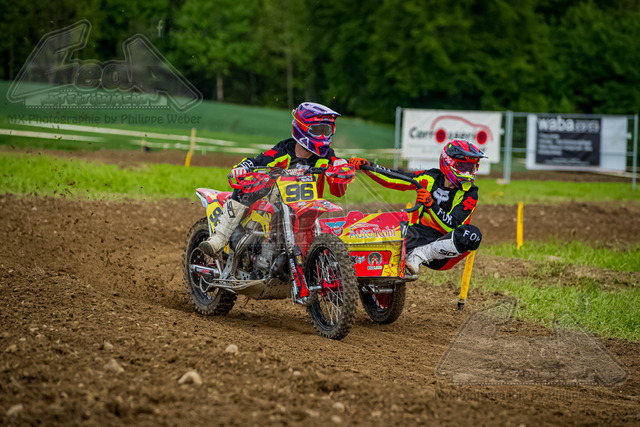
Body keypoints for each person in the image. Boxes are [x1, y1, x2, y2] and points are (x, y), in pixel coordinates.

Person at [199, 102, 349, 257]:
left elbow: (337, 187)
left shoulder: (327, 156)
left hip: (307, 212)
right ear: (302, 128)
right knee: (248, 185)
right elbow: (259, 161)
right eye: (317, 130)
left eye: (326, 130)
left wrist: (341, 168)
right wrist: (244, 166)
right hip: (277, 204)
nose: (323, 136)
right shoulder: (283, 150)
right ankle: (219, 238)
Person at [349, 139, 486, 274]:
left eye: (471, 168)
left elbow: (451, 226)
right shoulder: (430, 177)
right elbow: (396, 178)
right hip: (417, 235)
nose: (467, 173)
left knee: (473, 235)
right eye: (463, 167)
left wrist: (431, 204)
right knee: (383, 232)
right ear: (448, 163)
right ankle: (352, 265)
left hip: (446, 248)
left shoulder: (471, 194)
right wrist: (368, 166)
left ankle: (420, 254)